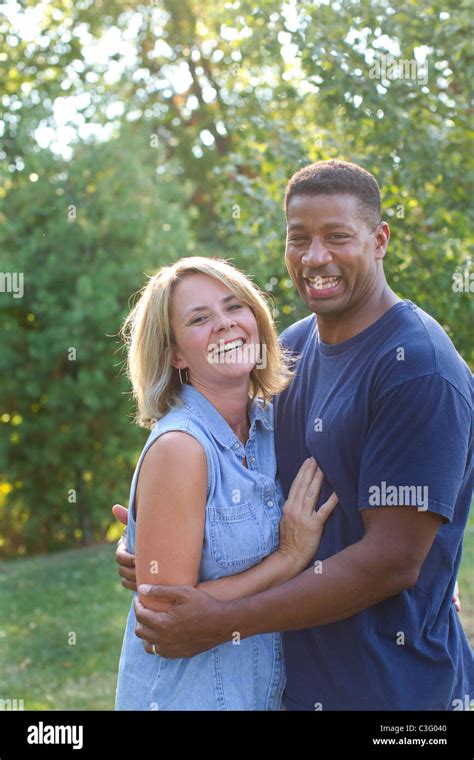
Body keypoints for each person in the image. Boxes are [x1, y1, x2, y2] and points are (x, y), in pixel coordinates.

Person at [115, 159, 473, 711]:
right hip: (290, 685)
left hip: (392, 689)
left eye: (337, 237)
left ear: (379, 240)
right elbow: (234, 469)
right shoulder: (291, 353)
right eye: (299, 238)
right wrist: (155, 539)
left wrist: (222, 621)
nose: (315, 258)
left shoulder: (417, 368)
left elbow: (393, 561)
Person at [114, 256, 338, 710]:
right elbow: (164, 615)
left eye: (234, 307)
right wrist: (289, 558)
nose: (224, 325)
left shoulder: (274, 425)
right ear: (175, 353)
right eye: (199, 318)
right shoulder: (182, 448)